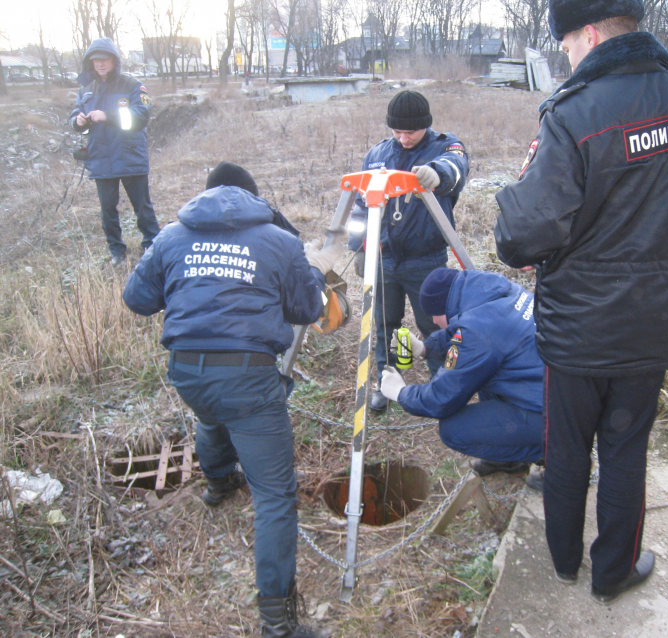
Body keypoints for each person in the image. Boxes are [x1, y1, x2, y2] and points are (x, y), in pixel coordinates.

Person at [494, 0, 668, 604]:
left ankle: (564, 563)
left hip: (577, 331)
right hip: (653, 325)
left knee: (565, 451)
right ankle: (613, 569)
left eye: (565, 46)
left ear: (589, 33)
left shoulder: (573, 113)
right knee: (624, 449)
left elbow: (520, 237)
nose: (566, 57)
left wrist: (521, 208)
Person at [123, 162, 345, 638]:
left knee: (211, 413)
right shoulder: (278, 240)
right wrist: (303, 264)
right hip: (247, 378)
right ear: (254, 198)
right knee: (274, 496)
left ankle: (219, 483)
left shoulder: (170, 237)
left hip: (187, 371)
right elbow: (308, 309)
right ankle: (278, 623)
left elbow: (137, 299)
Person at [347, 90, 469, 412]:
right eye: (396, 131)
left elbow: (456, 168)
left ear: (424, 126)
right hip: (384, 259)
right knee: (386, 325)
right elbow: (360, 207)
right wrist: (359, 248)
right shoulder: (377, 155)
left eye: (410, 132)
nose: (402, 138)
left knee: (434, 326)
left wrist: (437, 174)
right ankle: (386, 382)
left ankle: (442, 387)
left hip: (425, 260)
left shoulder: (444, 146)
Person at [379, 268, 545, 475]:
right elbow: (467, 334)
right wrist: (425, 348)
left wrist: (401, 393)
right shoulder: (496, 291)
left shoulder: (477, 331)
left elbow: (441, 398)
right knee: (485, 376)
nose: (433, 322)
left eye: (434, 315)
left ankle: (553, 454)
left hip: (551, 414)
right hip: (554, 389)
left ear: (443, 309)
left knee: (454, 431)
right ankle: (510, 456)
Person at [70, 38, 159, 267]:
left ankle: (152, 247)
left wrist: (108, 116)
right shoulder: (86, 90)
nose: (100, 64)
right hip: (101, 159)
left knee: (142, 207)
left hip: (129, 156)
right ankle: (117, 252)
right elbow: (75, 116)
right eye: (95, 60)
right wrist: (78, 121)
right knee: (107, 210)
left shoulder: (133, 85)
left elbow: (140, 116)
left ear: (114, 60)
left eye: (104, 59)